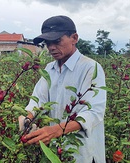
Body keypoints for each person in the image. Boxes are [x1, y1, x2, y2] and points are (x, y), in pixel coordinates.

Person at [19, 15, 106, 163]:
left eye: (57, 41)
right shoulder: (49, 69)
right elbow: (39, 100)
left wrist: (56, 130)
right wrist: (27, 118)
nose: (51, 47)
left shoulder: (90, 68)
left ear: (74, 38)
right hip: (55, 151)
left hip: (83, 151)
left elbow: (93, 112)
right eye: (48, 43)